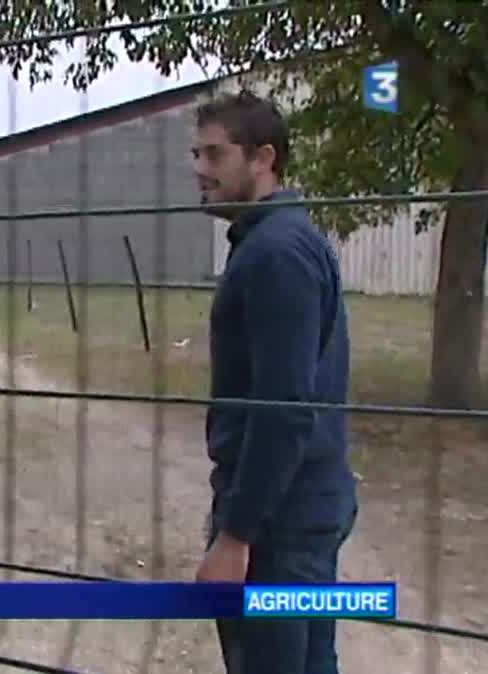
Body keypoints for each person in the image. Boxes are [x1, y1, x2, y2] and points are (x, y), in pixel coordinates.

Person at [191, 90, 358, 674]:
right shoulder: (278, 240)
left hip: (279, 526)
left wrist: (236, 536)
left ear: (263, 159)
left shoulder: (276, 253)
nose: (200, 170)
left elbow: (284, 408)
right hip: (297, 508)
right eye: (197, 154)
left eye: (215, 155)